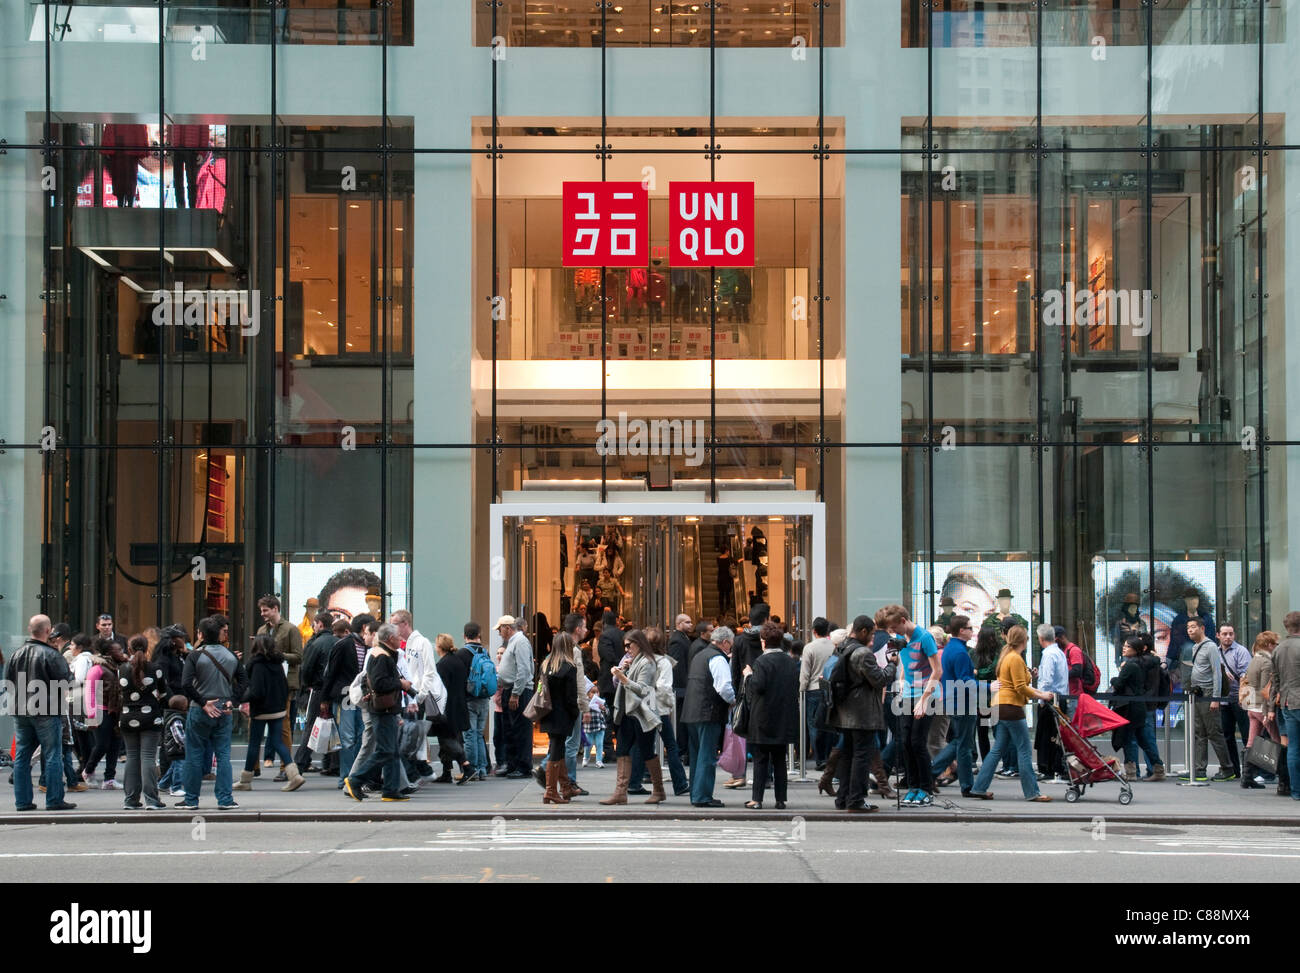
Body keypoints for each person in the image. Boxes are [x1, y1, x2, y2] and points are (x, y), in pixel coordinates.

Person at [968, 626, 1054, 802]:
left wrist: (1028, 676)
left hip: (999, 706)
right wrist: (1042, 695)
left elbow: (1017, 681)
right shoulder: (1015, 658)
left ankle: (979, 787)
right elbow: (1020, 687)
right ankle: (1032, 792)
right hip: (1011, 707)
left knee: (997, 749)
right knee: (1024, 750)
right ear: (1024, 641)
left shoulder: (1006, 656)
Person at [5, 615, 77, 811]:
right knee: (53, 753)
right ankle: (54, 799)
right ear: (47, 631)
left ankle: (22, 801)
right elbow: (67, 681)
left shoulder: (16, 654)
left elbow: (8, 682)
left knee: (22, 755)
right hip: (46, 710)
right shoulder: (52, 655)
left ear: (31, 630)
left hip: (21, 709)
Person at [826, 615, 897, 812]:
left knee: (848, 756)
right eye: (872, 634)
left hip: (845, 712)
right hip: (862, 714)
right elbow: (880, 679)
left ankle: (843, 798)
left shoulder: (843, 647)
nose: (873, 639)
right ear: (863, 631)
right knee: (861, 758)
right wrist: (892, 664)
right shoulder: (862, 653)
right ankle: (856, 800)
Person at [178, 615, 246, 810]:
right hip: (224, 707)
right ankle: (225, 799)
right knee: (223, 754)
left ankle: (191, 799)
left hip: (200, 708)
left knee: (194, 754)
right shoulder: (231, 656)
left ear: (201, 634)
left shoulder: (195, 655)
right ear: (219, 634)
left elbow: (186, 684)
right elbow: (243, 681)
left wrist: (202, 702)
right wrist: (233, 700)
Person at [343, 623, 411, 802]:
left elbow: (370, 679)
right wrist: (400, 684)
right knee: (385, 750)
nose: (401, 640)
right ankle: (355, 780)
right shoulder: (382, 656)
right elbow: (380, 684)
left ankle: (391, 790)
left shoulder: (380, 653)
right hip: (383, 709)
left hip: (384, 708)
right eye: (398, 637)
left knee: (392, 750)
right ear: (390, 639)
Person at [883, 605, 941, 804]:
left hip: (926, 695)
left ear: (903, 621)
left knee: (917, 742)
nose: (893, 632)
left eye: (894, 628)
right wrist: (900, 681)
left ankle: (926, 789)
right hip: (908, 695)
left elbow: (937, 671)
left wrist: (924, 700)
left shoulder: (924, 637)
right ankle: (913, 786)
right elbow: (906, 666)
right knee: (905, 742)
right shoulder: (902, 641)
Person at [601, 629, 664, 804]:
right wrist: (623, 672)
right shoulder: (635, 661)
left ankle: (658, 790)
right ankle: (620, 792)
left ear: (639, 643)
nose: (627, 649)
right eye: (625, 646)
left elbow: (643, 689)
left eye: (629, 645)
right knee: (622, 750)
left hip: (641, 713)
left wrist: (623, 677)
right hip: (628, 712)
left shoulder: (647, 662)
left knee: (646, 751)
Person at [235, 633, 304, 792]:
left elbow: (256, 691)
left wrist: (242, 699)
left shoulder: (256, 664)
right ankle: (294, 775)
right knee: (278, 742)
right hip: (278, 708)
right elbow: (284, 686)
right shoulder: (277, 663)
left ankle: (245, 780)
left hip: (261, 710)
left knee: (254, 743)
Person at [743, 619, 800, 810]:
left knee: (760, 760)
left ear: (763, 641)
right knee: (779, 760)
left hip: (763, 717)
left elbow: (758, 687)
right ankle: (780, 799)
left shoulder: (761, 661)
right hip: (784, 716)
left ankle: (757, 799)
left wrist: (748, 675)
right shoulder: (790, 662)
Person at [682, 626, 736, 808]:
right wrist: (733, 700)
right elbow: (724, 687)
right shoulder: (717, 658)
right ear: (725, 642)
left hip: (691, 712)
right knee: (707, 755)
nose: (731, 649)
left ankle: (696, 794)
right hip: (708, 711)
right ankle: (703, 796)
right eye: (731, 645)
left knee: (697, 756)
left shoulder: (700, 655)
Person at [1178, 617, 1236, 782]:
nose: (1190, 630)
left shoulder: (1210, 646)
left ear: (1202, 628)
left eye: (1193, 627)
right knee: (1199, 733)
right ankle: (1199, 769)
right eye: (1188, 627)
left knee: (1214, 732)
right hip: (1198, 694)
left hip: (1209, 693)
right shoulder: (1196, 647)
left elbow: (1217, 673)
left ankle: (1227, 768)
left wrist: (1215, 698)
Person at [322, 613, 374, 790]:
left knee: (362, 735)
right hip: (345, 696)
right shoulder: (343, 645)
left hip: (361, 696)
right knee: (348, 737)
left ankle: (356, 775)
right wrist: (325, 698)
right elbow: (331, 672)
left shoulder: (369, 647)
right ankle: (346, 776)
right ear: (363, 628)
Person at [117, 633, 167, 809]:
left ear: (129, 649)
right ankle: (151, 800)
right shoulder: (155, 669)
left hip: (127, 716)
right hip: (150, 717)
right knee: (148, 757)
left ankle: (130, 799)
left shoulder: (122, 669)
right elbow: (164, 694)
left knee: (131, 757)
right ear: (147, 649)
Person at [930, 616, 978, 795]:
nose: (972, 631)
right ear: (961, 631)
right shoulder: (959, 652)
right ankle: (967, 786)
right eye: (969, 627)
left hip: (954, 700)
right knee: (963, 745)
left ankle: (933, 773)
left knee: (960, 741)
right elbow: (965, 681)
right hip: (962, 701)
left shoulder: (952, 648)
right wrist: (989, 686)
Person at [256, 594, 303, 777]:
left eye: (265, 610)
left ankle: (286, 767)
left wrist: (278, 654)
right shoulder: (262, 630)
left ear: (275, 609)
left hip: (284, 683)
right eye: (261, 611)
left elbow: (299, 656)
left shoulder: (290, 629)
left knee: (283, 725)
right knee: (259, 723)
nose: (263, 614)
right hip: (265, 681)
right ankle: (254, 765)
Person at [539, 632, 581, 804]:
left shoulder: (546, 664)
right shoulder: (569, 667)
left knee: (557, 748)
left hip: (547, 712)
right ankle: (551, 791)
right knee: (556, 750)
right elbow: (571, 697)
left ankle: (565, 787)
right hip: (563, 714)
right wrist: (575, 712)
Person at [649, 625, 690, 797]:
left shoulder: (643, 660)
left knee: (643, 744)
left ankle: (637, 779)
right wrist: (670, 705)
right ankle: (680, 783)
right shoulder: (663, 662)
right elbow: (664, 687)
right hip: (659, 707)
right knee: (671, 745)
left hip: (646, 707)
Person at [293, 611, 337, 773]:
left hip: (318, 689)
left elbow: (306, 668)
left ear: (320, 624)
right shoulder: (337, 642)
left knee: (312, 725)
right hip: (334, 690)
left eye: (315, 624)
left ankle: (300, 762)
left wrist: (307, 684)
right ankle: (333, 763)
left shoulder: (316, 643)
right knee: (333, 725)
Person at [82, 637, 126, 790]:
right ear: (109, 652)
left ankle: (109, 778)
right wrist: (92, 713)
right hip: (101, 710)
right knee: (102, 744)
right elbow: (90, 691)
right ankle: (88, 770)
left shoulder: (119, 667)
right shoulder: (97, 668)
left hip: (116, 711)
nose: (122, 652)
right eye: (118, 650)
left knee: (115, 745)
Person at [494, 614, 535, 778]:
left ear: (507, 628)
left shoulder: (520, 642)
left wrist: (516, 694)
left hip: (519, 690)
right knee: (510, 729)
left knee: (520, 729)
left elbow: (524, 669)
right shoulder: (513, 642)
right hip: (510, 689)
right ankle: (512, 764)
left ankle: (523, 766)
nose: (499, 633)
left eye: (500, 629)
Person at [1240, 630, 1280, 789]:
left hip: (1251, 706)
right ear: (1269, 645)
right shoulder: (1266, 662)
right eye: (1275, 644)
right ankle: (1284, 778)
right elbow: (1266, 690)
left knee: (1251, 741)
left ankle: (1247, 776)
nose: (1276, 646)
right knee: (1278, 740)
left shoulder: (1254, 660)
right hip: (1260, 708)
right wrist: (1267, 711)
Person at [432, 633, 472, 783]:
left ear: (439, 647)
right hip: (459, 705)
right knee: (452, 737)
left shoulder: (442, 665)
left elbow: (440, 689)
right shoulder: (458, 661)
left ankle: (466, 766)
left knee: (447, 739)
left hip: (447, 707)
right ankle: (447, 772)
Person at [1215, 622, 1251, 780]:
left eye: (1231, 633)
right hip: (1224, 699)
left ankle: (1250, 771)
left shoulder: (1241, 651)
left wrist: (1237, 678)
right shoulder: (1216, 652)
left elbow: (1246, 674)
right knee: (1227, 735)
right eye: (1224, 634)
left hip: (1240, 698)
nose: (1228, 637)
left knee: (1246, 735)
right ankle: (1234, 770)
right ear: (1218, 635)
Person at [1033, 623, 1068, 782]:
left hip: (1050, 698)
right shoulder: (1059, 652)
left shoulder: (1048, 654)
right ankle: (1057, 767)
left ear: (1041, 639)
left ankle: (1047, 769)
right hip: (1061, 698)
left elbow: (1046, 681)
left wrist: (1041, 699)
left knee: (1046, 735)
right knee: (1056, 735)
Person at [1271, 611, 1300, 800]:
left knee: (1294, 748)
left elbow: (1275, 680)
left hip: (1287, 703)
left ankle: (1296, 791)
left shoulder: (1278, 650)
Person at [800, 617, 835, 770]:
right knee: (829, 724)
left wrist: (801, 690)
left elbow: (805, 673)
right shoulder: (834, 645)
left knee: (814, 725)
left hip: (813, 689)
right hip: (830, 688)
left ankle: (819, 758)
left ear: (814, 631)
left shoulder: (810, 647)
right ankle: (828, 756)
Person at [1111, 635, 1148, 779]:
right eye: (1124, 646)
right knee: (1143, 739)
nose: (1124, 648)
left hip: (1130, 708)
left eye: (1127, 646)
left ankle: (1131, 771)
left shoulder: (1130, 665)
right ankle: (1157, 768)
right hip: (1138, 706)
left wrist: (1113, 679)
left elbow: (1119, 683)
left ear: (1135, 650)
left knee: (1129, 740)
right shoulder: (1139, 663)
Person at [1132, 633, 1167, 781]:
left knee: (1145, 738)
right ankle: (1152, 769)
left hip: (1144, 704)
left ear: (1144, 647)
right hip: (1149, 704)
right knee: (1146, 737)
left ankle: (1152, 769)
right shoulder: (1152, 661)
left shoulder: (1145, 663)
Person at [461, 622, 493, 781]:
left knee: (469, 735)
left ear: (465, 636)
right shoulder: (485, 652)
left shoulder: (463, 653)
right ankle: (482, 769)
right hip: (484, 698)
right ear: (479, 635)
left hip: (470, 699)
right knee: (479, 734)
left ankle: (472, 768)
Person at [667, 613, 694, 746]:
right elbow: (676, 665)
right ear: (679, 624)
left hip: (683, 685)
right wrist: (683, 685)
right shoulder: (677, 640)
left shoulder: (683, 638)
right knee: (680, 718)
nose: (691, 624)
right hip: (680, 686)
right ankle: (681, 746)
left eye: (690, 622)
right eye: (687, 622)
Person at [582, 692, 607, 767]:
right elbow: (582, 712)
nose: (595, 694)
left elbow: (607, 712)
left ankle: (599, 760)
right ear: (588, 693)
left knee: (599, 744)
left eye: (597, 692)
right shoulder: (585, 701)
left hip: (600, 726)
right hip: (589, 727)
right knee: (588, 745)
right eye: (592, 692)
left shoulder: (601, 701)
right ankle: (586, 758)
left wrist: (603, 709)